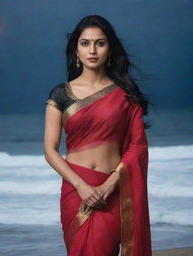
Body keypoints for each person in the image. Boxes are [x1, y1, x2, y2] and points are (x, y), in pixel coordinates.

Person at [44, 14, 153, 256]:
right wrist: (81, 186)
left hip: (112, 192)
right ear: (76, 50)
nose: (92, 50)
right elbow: (50, 151)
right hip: (75, 190)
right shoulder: (61, 94)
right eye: (85, 43)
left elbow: (137, 148)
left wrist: (108, 185)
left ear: (110, 49)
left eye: (100, 43)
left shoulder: (126, 95)